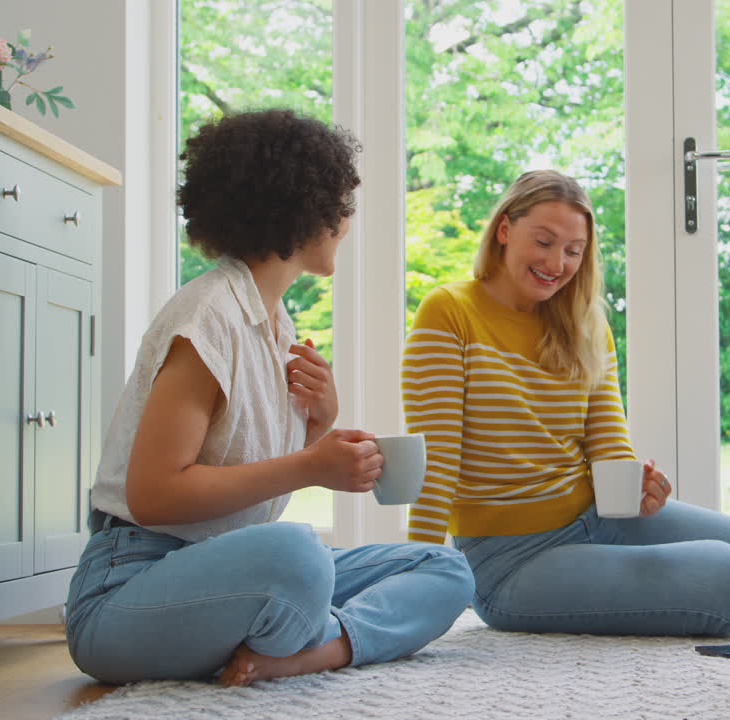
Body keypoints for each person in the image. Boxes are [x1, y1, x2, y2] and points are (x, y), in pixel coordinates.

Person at [66, 109, 474, 686]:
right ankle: (328, 631)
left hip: (230, 570)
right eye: (342, 203)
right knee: (299, 554)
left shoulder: (274, 324)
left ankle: (311, 652)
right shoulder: (208, 318)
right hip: (127, 589)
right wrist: (310, 466)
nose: (348, 221)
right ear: (303, 207)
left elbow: (240, 467)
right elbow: (154, 495)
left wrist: (318, 422)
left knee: (446, 567)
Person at [400, 170, 730, 637]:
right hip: (510, 561)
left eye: (573, 250)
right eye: (543, 242)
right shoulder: (449, 312)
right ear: (505, 230)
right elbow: (436, 460)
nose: (557, 263)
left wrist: (640, 493)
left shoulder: (586, 325)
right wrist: (416, 578)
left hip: (599, 519)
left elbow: (608, 445)